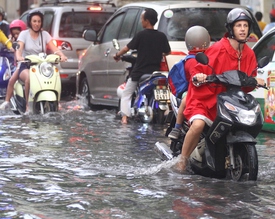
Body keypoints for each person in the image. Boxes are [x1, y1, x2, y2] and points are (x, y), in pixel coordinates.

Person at [176, 8, 265, 171]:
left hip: (231, 101)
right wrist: (199, 76)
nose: (243, 29)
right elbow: (198, 68)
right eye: (239, 25)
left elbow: (249, 78)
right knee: (198, 125)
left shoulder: (249, 54)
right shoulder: (218, 48)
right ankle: (182, 160)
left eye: (245, 25)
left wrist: (256, 80)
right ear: (231, 28)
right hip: (206, 99)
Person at [0, 10, 67, 112]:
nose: (37, 24)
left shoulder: (45, 34)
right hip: (26, 65)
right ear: (30, 22)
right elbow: (19, 49)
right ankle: (28, 105)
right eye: (34, 21)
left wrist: (61, 55)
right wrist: (19, 56)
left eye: (39, 21)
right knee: (28, 78)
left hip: (42, 66)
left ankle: (57, 102)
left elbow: (54, 48)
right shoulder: (24, 34)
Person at [113, 8, 171, 124]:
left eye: (142, 19)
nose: (141, 21)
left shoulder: (141, 35)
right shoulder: (161, 36)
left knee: (126, 94)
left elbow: (126, 48)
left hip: (140, 72)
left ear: (147, 20)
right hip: (155, 72)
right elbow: (168, 52)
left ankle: (124, 118)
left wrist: (117, 55)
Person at [168, 25, 210, 139]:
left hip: (207, 88)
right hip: (191, 89)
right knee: (186, 99)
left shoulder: (209, 56)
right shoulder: (191, 60)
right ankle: (177, 127)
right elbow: (194, 75)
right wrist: (198, 77)